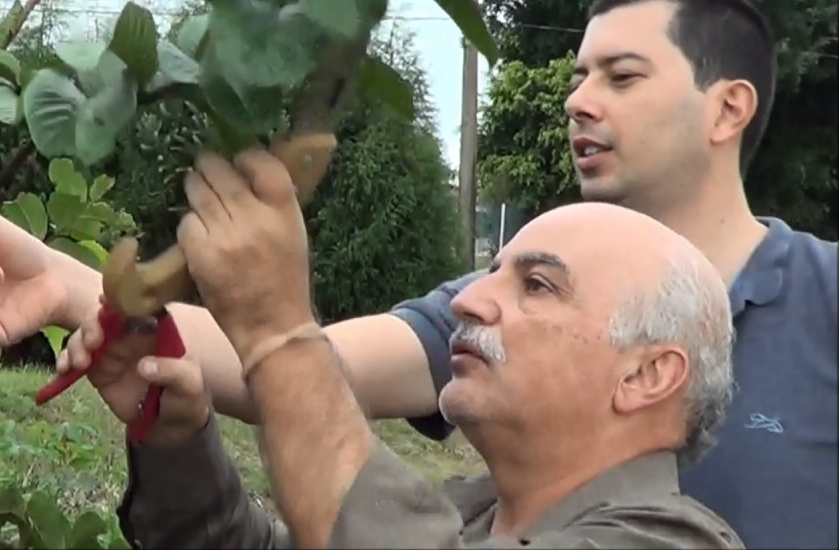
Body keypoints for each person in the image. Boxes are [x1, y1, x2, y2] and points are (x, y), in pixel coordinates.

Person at [0, 0, 838, 548]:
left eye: (621, 76)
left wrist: (279, 329)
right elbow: (300, 374)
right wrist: (87, 294)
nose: (578, 101)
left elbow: (291, 360)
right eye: (576, 76)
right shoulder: (479, 480)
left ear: (729, 109)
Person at [103, 198, 742, 548]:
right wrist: (176, 437)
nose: (468, 301)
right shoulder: (465, 512)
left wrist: (278, 332)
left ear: (647, 375)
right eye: (492, 273)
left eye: (538, 286)